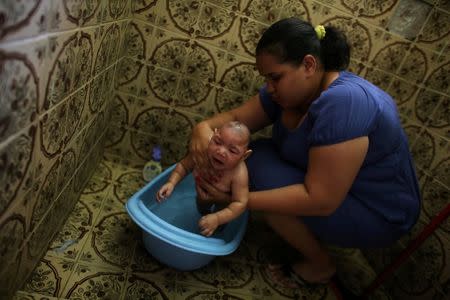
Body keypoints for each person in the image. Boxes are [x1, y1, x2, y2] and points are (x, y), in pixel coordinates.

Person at [188, 17, 421, 287]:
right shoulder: (291, 93)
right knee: (254, 154)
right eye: (266, 79)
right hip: (338, 193)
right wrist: (202, 128)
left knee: (256, 174)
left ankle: (320, 264)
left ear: (309, 65)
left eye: (275, 77)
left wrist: (237, 201)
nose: (269, 87)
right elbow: (235, 118)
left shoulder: (346, 102)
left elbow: (320, 200)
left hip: (378, 213)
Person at [156, 121, 252, 237]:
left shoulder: (239, 174)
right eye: (217, 142)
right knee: (201, 209)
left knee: (220, 221)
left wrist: (217, 218)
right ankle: (204, 214)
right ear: (213, 135)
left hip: (223, 204)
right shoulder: (203, 152)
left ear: (244, 156)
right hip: (201, 193)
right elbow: (184, 166)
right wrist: (171, 183)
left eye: (232, 151)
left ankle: (218, 228)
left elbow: (240, 203)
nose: (221, 152)